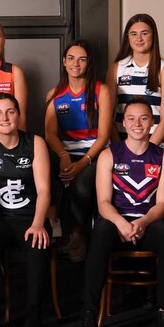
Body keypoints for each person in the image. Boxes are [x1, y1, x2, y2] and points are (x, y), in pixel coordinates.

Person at [79, 97, 164, 327]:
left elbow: (163, 205)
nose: (137, 123)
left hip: (148, 221)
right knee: (100, 234)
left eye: (144, 118)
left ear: (152, 124)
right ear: (124, 123)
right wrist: (121, 223)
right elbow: (103, 202)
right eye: (132, 118)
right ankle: (89, 316)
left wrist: (143, 223)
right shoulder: (109, 155)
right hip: (115, 220)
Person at [0, 93, 51, 327]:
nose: (5, 118)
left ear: (18, 115)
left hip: (30, 216)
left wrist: (38, 223)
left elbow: (45, 189)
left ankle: (34, 312)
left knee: (39, 242)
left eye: (10, 112)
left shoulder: (35, 142)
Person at [44, 40, 112, 259]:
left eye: (82, 59)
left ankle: (77, 232)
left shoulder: (102, 91)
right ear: (64, 62)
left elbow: (104, 136)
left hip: (96, 153)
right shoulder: (54, 94)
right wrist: (63, 156)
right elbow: (50, 134)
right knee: (52, 174)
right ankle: (56, 227)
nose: (76, 64)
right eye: (71, 58)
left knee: (81, 184)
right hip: (66, 152)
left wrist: (83, 162)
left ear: (88, 64)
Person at [107, 13, 164, 148]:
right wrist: (120, 149)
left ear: (153, 36)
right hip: (123, 146)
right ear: (128, 37)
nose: (139, 38)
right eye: (133, 34)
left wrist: (146, 150)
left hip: (155, 146)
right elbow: (108, 116)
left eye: (144, 33)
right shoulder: (116, 68)